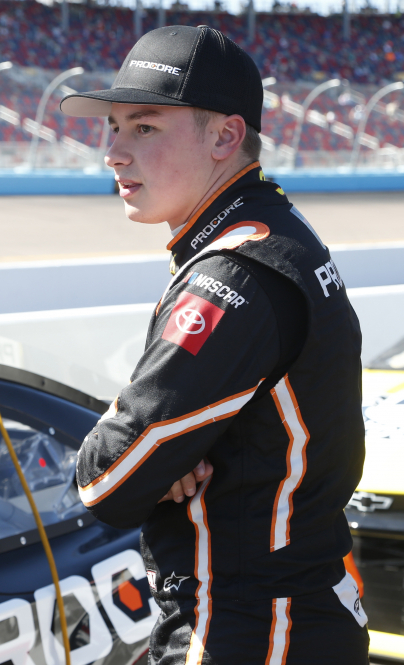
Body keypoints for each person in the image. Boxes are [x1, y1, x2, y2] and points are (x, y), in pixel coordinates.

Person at [62, 25, 368, 664]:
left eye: (144, 128)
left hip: (250, 627)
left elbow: (107, 480)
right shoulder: (276, 228)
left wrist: (163, 459)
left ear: (226, 137)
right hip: (291, 612)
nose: (114, 152)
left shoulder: (232, 273)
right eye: (113, 127)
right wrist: (169, 454)